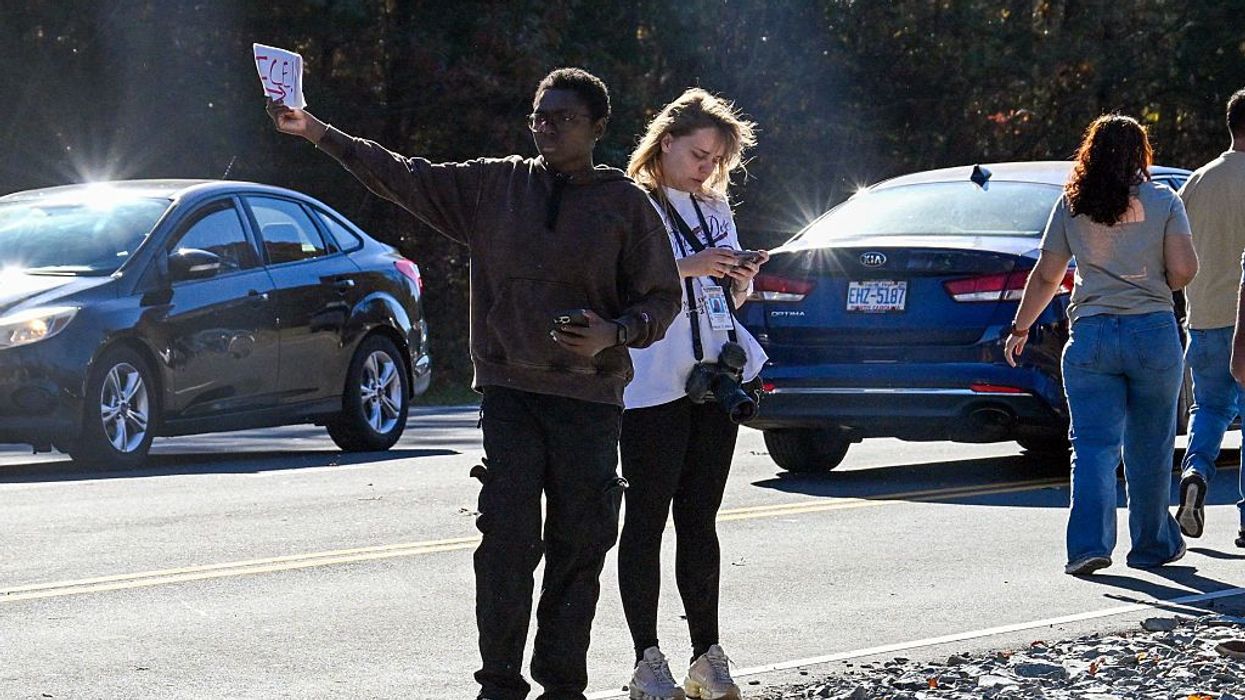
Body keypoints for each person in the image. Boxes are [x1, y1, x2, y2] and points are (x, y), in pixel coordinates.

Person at [266, 68, 683, 700]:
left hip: (588, 402)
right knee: (507, 543)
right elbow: (402, 175)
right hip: (510, 394)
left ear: (598, 128)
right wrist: (315, 132)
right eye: (539, 116)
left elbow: (661, 299)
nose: (546, 128)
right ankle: (499, 684)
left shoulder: (625, 204)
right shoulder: (496, 184)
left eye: (563, 118)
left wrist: (615, 333)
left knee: (580, 546)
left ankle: (564, 685)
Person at [616, 88, 766, 700]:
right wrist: (691, 265)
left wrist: (739, 280)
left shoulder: (714, 207)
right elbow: (616, 282)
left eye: (716, 160)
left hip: (712, 374)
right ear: (666, 141)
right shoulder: (630, 203)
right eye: (700, 154)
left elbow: (720, 299)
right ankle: (647, 660)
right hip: (653, 379)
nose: (707, 168)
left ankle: (708, 653)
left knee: (700, 520)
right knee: (646, 518)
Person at [1004, 114, 1198, 576]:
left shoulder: (1071, 206)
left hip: (1091, 335)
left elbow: (1048, 275)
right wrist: (1157, 279)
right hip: (1152, 331)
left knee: (1092, 446)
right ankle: (1151, 546)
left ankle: (1088, 546)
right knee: (1151, 446)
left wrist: (1020, 328)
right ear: (1140, 155)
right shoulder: (1164, 200)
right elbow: (1185, 269)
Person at [1177, 87, 1245, 548]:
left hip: (1203, 316)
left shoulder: (1196, 182)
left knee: (1210, 407)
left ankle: (1196, 472)